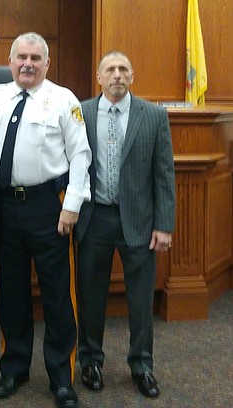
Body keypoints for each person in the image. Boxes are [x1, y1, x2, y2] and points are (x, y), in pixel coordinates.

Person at [0, 32, 91, 408]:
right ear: (10, 61)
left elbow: (81, 155)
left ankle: (62, 377)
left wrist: (73, 204)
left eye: (35, 57)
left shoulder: (64, 100)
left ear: (47, 63)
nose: (27, 63)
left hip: (49, 206)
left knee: (58, 294)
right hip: (4, 208)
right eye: (20, 57)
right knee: (10, 292)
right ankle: (14, 368)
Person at [74, 51, 175, 399]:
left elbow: (164, 175)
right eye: (110, 70)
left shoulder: (154, 115)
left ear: (132, 76)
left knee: (140, 299)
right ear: (99, 77)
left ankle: (142, 366)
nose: (117, 75)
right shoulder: (81, 113)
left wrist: (164, 225)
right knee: (90, 296)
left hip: (140, 222)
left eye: (123, 70)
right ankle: (90, 361)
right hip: (94, 217)